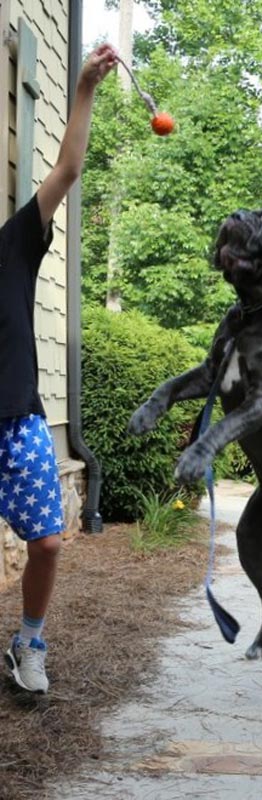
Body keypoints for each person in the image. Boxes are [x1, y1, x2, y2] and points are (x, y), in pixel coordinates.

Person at [1, 43, 117, 693]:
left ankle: (29, 641)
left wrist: (84, 90)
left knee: (46, 543)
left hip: (18, 422)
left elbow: (69, 168)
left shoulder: (14, 244)